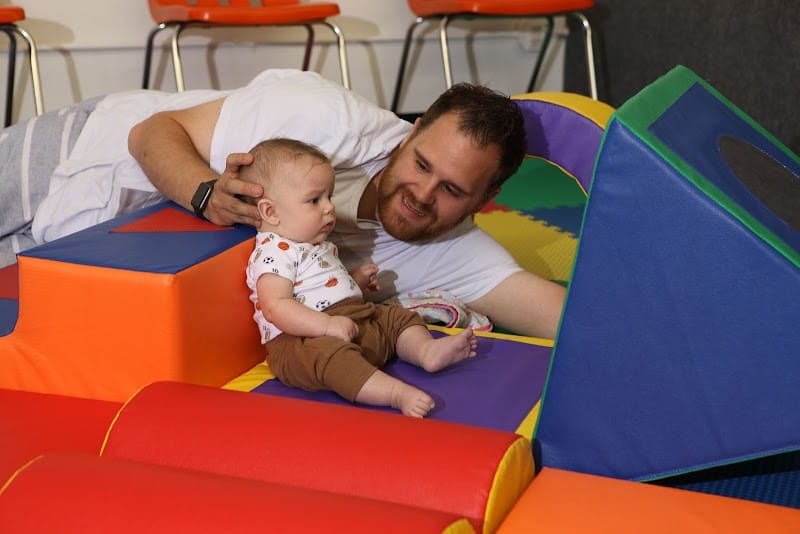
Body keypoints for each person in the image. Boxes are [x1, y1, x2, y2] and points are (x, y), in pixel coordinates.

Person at [1, 68, 565, 338]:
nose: (422, 195)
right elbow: (152, 132)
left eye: (452, 190)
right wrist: (206, 191)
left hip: (98, 253)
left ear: (486, 199)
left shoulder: (459, 253)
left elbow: (567, 319)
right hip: (86, 152)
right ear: (410, 133)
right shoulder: (325, 121)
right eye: (421, 164)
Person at [244, 137, 477, 417]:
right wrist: (326, 326)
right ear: (270, 212)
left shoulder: (315, 243)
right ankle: (395, 393)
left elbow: (323, 288)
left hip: (352, 321)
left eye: (329, 197)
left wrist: (355, 282)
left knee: (394, 317)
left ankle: (425, 350)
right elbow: (276, 306)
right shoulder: (273, 251)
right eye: (314, 200)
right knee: (332, 359)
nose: (329, 207)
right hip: (301, 341)